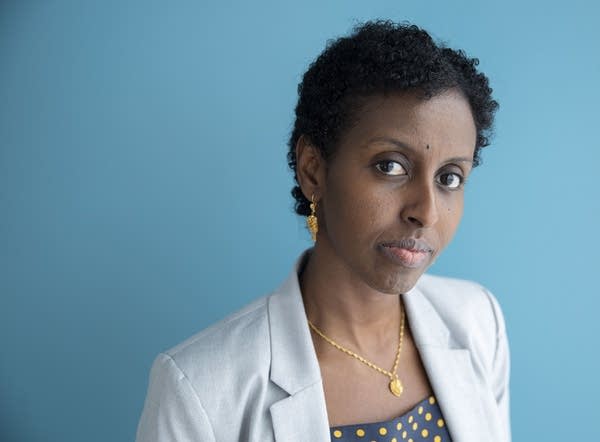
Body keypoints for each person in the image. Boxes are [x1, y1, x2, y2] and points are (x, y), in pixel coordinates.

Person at [136, 20, 510, 442]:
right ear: (313, 169)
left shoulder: (478, 322)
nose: (426, 212)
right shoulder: (199, 390)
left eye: (450, 178)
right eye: (390, 166)